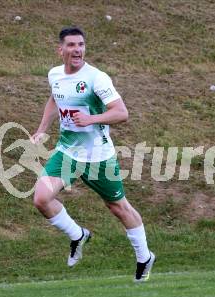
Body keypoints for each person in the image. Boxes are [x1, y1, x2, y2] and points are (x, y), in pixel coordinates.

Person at [31, 27, 155, 282]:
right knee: (41, 199)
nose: (77, 49)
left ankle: (144, 256)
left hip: (99, 157)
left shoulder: (97, 78)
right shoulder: (55, 74)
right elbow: (55, 99)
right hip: (68, 153)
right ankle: (78, 235)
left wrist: (91, 119)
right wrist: (42, 130)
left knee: (118, 207)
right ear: (61, 49)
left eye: (81, 45)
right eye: (72, 45)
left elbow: (122, 113)